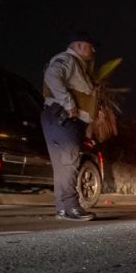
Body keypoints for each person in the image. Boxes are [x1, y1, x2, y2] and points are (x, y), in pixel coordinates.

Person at [41, 32, 98, 221]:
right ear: (79, 46)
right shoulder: (68, 60)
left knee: (61, 165)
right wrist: (69, 103)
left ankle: (62, 208)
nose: (93, 51)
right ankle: (72, 207)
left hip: (57, 117)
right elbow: (52, 75)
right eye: (90, 46)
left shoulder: (76, 65)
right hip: (64, 119)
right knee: (69, 163)